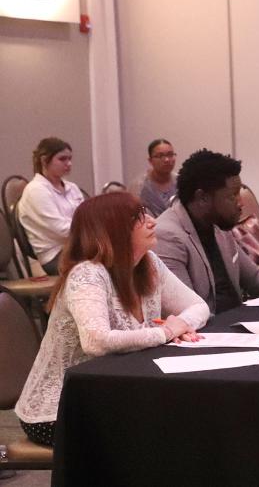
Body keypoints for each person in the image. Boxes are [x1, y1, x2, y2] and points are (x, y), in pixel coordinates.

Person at [14, 192, 209, 446]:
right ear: (111, 229)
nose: (152, 221)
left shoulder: (149, 263)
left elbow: (198, 306)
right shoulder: (87, 274)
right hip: (58, 409)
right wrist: (165, 332)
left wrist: (181, 325)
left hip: (111, 394)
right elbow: (96, 341)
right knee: (169, 429)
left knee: (187, 415)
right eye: (138, 218)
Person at [154, 149, 259, 314]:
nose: (241, 203)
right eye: (232, 195)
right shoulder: (167, 236)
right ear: (202, 198)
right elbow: (185, 311)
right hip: (210, 333)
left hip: (235, 323)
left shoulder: (217, 224)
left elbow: (254, 278)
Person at [17, 137, 86, 276]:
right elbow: (61, 230)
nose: (69, 163)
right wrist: (94, 232)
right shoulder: (36, 190)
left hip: (76, 247)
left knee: (122, 254)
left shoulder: (72, 188)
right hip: (54, 256)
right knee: (110, 261)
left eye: (70, 158)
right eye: (62, 159)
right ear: (44, 161)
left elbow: (87, 217)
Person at [130, 138, 178, 216]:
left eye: (170, 154)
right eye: (160, 156)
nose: (166, 160)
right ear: (150, 160)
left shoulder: (181, 182)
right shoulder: (139, 186)